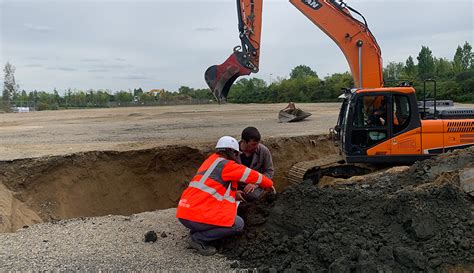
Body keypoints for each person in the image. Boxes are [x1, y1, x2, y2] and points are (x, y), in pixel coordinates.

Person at [176, 136, 274, 256]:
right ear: (231, 152)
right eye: (236, 153)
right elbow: (252, 175)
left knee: (224, 214)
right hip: (195, 215)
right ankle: (198, 239)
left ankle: (198, 228)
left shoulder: (210, 161)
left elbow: (214, 187)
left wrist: (234, 193)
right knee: (237, 224)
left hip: (185, 212)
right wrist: (269, 183)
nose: (237, 156)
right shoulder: (227, 165)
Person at [237, 126, 274, 202]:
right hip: (237, 186)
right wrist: (234, 192)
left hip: (256, 186)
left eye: (257, 143)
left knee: (258, 197)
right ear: (244, 141)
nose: (256, 146)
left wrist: (255, 183)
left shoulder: (263, 151)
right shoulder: (233, 153)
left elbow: (269, 171)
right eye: (253, 144)